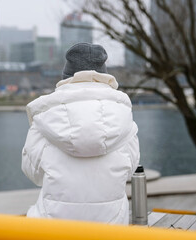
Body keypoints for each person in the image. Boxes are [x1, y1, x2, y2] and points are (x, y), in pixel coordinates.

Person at [22, 43, 140, 225]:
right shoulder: (124, 118)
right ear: (104, 75)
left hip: (52, 229)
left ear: (67, 76)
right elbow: (129, 171)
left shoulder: (45, 117)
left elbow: (34, 175)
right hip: (112, 229)